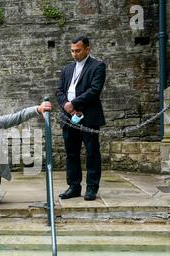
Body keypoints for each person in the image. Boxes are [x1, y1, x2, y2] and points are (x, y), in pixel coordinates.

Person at [55, 35, 106, 201]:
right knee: (71, 153)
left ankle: (91, 188)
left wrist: (75, 104)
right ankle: (74, 186)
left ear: (87, 49)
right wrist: (67, 107)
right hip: (69, 117)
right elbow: (59, 91)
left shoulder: (98, 66)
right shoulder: (67, 69)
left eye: (78, 50)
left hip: (88, 117)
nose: (74, 54)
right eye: (72, 51)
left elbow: (94, 90)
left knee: (92, 153)